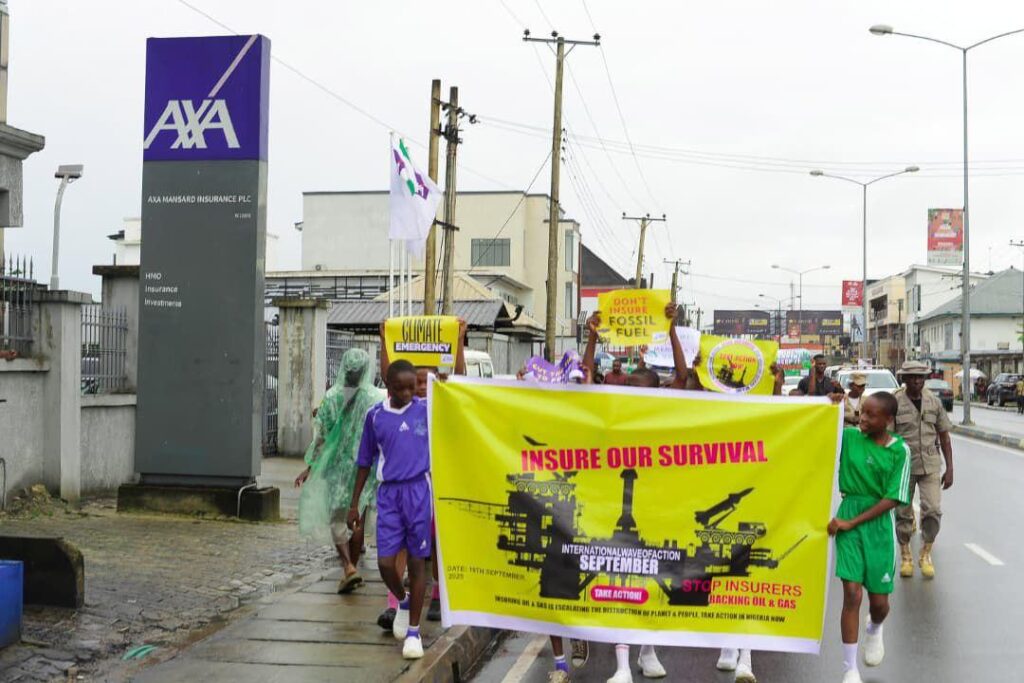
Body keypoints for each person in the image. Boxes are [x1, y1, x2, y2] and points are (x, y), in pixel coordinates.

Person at [581, 303, 685, 683]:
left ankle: (648, 651)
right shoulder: (608, 410)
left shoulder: (661, 412)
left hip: (653, 508)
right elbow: (588, 373)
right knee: (618, 581)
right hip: (611, 505)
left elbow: (683, 374)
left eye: (639, 390)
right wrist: (592, 334)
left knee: (650, 580)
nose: (629, 393)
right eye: (626, 388)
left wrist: (672, 329)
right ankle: (623, 664)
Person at [349, 360, 433, 660]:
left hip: (419, 491)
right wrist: (354, 503)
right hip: (389, 494)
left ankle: (413, 632)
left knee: (417, 563)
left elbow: (458, 392)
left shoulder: (426, 409)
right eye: (401, 388)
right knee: (386, 563)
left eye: (413, 387)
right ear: (388, 386)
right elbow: (364, 462)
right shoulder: (375, 417)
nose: (409, 393)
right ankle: (403, 600)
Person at [828, 391, 911, 683]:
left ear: (888, 420)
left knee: (879, 604)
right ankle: (850, 669)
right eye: (861, 412)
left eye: (870, 415)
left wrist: (853, 522)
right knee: (851, 593)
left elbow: (893, 499)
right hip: (848, 515)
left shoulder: (899, 450)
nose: (862, 418)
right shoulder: (849, 439)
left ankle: (875, 627)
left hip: (878, 525)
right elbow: (814, 427)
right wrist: (828, 404)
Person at [295, 348, 381, 594]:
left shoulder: (330, 398)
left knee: (337, 519)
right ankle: (353, 568)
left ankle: (348, 567)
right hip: (363, 469)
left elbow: (320, 437)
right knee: (357, 518)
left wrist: (310, 466)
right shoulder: (373, 399)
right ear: (366, 370)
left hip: (336, 468)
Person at [892, 360, 953, 579]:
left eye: (920, 377)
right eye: (912, 377)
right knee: (902, 512)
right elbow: (887, 438)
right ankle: (906, 554)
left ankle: (925, 552)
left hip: (930, 464)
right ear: (904, 379)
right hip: (903, 466)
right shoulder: (895, 402)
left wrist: (950, 468)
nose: (917, 381)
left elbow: (944, 436)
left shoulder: (934, 402)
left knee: (933, 510)